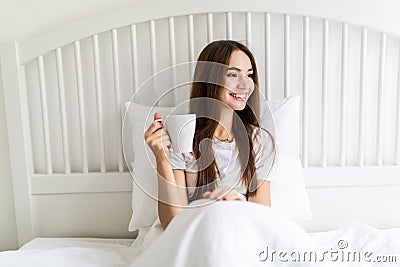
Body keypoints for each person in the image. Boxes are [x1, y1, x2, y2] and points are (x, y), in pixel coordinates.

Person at [144, 40, 276, 230]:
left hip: (240, 233)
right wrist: (162, 160)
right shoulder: (182, 136)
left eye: (249, 75)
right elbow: (172, 222)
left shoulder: (259, 141)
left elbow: (261, 219)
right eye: (233, 74)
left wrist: (235, 203)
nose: (245, 84)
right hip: (195, 234)